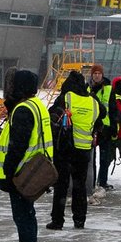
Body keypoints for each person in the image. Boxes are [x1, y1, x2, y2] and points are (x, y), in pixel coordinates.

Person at [0, 69, 51, 242]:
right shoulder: (37, 105)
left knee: (23, 217)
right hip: (36, 169)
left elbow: (18, 145)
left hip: (22, 172)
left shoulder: (23, 110)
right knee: (28, 215)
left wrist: (8, 171)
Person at [47, 70, 103, 230]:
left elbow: (52, 113)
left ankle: (57, 221)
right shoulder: (93, 101)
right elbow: (102, 116)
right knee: (80, 187)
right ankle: (80, 220)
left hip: (65, 148)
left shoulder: (67, 98)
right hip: (84, 149)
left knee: (61, 186)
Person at [89, 64, 116, 191]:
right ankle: (92, 181)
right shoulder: (87, 89)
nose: (97, 75)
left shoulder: (109, 89)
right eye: (95, 73)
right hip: (92, 127)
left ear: (102, 74)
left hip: (105, 127)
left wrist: (114, 126)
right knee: (92, 158)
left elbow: (113, 109)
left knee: (104, 158)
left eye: (99, 73)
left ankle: (103, 181)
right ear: (92, 75)